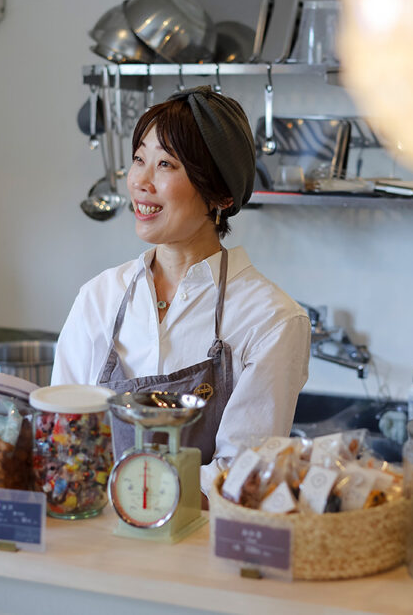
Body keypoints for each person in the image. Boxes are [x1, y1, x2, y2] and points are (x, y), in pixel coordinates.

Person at [50, 85, 311, 494]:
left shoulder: (272, 320)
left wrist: (136, 492)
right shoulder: (100, 297)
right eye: (139, 159)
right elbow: (63, 436)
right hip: (96, 541)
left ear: (220, 194)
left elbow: (241, 475)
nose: (140, 181)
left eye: (166, 165)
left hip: (201, 549)